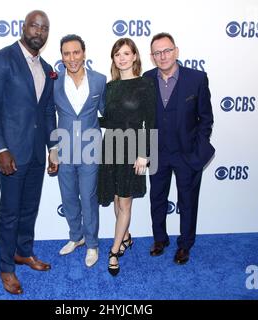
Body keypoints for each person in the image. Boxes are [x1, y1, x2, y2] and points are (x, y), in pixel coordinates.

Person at [0, 10, 57, 294]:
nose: (39, 31)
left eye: (45, 28)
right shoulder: (2, 59)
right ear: (23, 27)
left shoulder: (47, 67)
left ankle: (23, 252)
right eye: (35, 25)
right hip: (10, 153)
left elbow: (48, 111)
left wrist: (54, 148)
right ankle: (6, 267)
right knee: (10, 212)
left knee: (29, 209)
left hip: (37, 152)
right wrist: (1, 148)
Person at [144, 32, 215, 264]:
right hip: (157, 153)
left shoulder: (196, 79)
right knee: (157, 198)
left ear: (176, 51)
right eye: (157, 52)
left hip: (187, 154)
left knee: (188, 201)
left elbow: (206, 119)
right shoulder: (146, 80)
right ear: (152, 57)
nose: (162, 56)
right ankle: (160, 239)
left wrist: (198, 152)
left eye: (166, 50)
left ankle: (185, 244)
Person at [97, 38, 156, 276]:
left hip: (133, 148)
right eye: (117, 54)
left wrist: (144, 154)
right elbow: (110, 120)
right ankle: (126, 237)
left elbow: (150, 122)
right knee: (115, 198)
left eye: (125, 53)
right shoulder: (110, 87)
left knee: (125, 201)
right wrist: (86, 119)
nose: (121, 58)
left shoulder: (145, 85)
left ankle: (114, 250)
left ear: (134, 57)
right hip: (110, 145)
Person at [50, 34, 106, 267]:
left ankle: (92, 244)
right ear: (61, 57)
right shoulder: (53, 84)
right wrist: (52, 149)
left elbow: (108, 114)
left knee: (89, 197)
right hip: (63, 148)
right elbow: (47, 118)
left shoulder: (100, 81)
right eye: (66, 53)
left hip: (91, 150)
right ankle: (76, 236)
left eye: (76, 52)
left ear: (84, 53)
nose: (72, 58)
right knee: (69, 196)